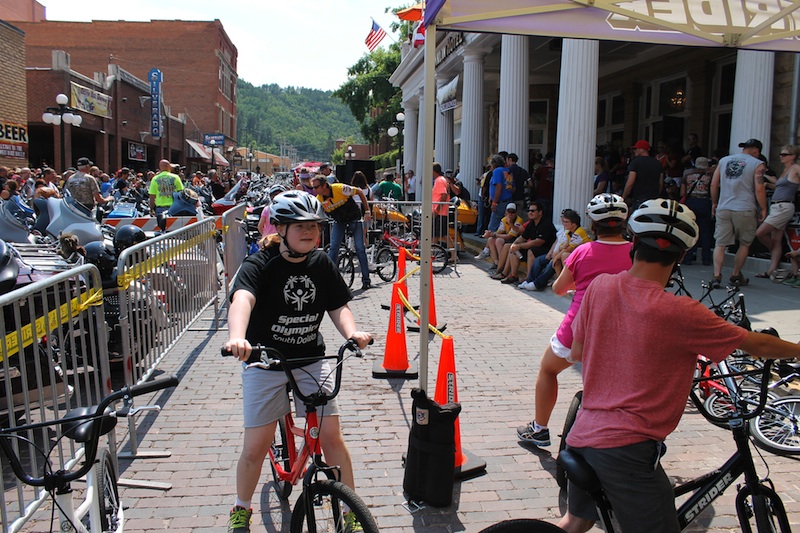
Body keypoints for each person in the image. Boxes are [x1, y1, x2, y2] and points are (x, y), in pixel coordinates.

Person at [556, 198, 800, 533]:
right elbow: (756, 343)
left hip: (582, 433)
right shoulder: (682, 312)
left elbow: (578, 353)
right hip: (625, 450)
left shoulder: (600, 286)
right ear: (682, 256)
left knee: (576, 521)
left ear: (634, 243)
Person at [224, 191, 372, 533]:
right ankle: (241, 509)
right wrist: (238, 337)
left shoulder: (321, 263)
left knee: (332, 436)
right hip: (264, 360)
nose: (310, 232)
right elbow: (242, 299)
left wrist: (352, 333)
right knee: (255, 447)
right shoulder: (260, 263)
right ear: (282, 228)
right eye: (300, 226)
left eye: (315, 226)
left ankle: (351, 513)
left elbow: (338, 306)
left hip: (310, 357)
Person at [517, 194, 631, 446]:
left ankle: (539, 428)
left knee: (548, 370)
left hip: (578, 326)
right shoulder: (635, 253)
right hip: (620, 330)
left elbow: (558, 289)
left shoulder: (583, 251)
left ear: (593, 223)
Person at [710, 138, 768, 287]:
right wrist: (763, 207)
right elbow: (759, 188)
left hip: (724, 206)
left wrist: (714, 202)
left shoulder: (724, 161)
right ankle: (736, 274)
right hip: (745, 207)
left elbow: (714, 183)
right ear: (756, 150)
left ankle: (716, 275)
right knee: (744, 243)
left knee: (720, 243)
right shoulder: (757, 164)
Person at [312, 176, 372, 290]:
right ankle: (328, 278)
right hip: (339, 221)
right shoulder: (319, 199)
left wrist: (367, 211)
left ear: (324, 185)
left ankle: (366, 280)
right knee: (334, 248)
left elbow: (359, 191)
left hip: (354, 218)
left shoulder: (340, 189)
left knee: (359, 248)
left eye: (316, 187)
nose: (314, 189)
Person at [754, 144, 800, 279]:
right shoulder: (786, 170)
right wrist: (768, 184)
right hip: (777, 205)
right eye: (781, 154)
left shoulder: (795, 168)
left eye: (784, 154)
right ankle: (771, 270)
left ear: (793, 156)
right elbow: (781, 187)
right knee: (776, 239)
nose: (781, 156)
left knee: (760, 233)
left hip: (783, 207)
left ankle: (773, 250)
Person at [518, 209, 590, 291]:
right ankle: (529, 280)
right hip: (573, 255)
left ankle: (538, 284)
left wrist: (555, 258)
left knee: (561, 256)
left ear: (573, 224)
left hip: (585, 257)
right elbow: (563, 246)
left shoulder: (579, 232)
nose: (563, 224)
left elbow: (568, 248)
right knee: (540, 259)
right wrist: (555, 254)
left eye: (566, 222)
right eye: (563, 221)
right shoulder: (568, 232)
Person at [680, 157, 714, 265]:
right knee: (705, 231)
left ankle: (688, 256)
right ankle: (706, 258)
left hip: (691, 202)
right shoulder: (710, 178)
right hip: (704, 202)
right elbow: (712, 191)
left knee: (691, 229)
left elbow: (682, 193)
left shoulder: (687, 176)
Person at [623, 140, 663, 210]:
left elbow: (630, 183)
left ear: (641, 150)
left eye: (636, 149)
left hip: (640, 200)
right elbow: (660, 184)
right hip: (655, 201)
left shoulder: (635, 162)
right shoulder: (658, 163)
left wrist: (623, 197)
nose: (634, 151)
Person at [486, 203, 523, 280]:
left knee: (501, 242)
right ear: (506, 212)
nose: (510, 214)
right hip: (509, 240)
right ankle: (497, 263)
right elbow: (499, 232)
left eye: (512, 212)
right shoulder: (504, 219)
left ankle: (500, 269)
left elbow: (510, 236)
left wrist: (494, 235)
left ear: (516, 213)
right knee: (491, 240)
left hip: (514, 241)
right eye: (508, 212)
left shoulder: (518, 221)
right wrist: (491, 234)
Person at [149, 159, 184, 224]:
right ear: (168, 166)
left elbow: (152, 196)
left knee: (161, 228)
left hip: (160, 209)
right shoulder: (176, 177)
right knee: (175, 228)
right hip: (174, 207)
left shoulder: (155, 179)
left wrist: (151, 209)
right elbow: (181, 194)